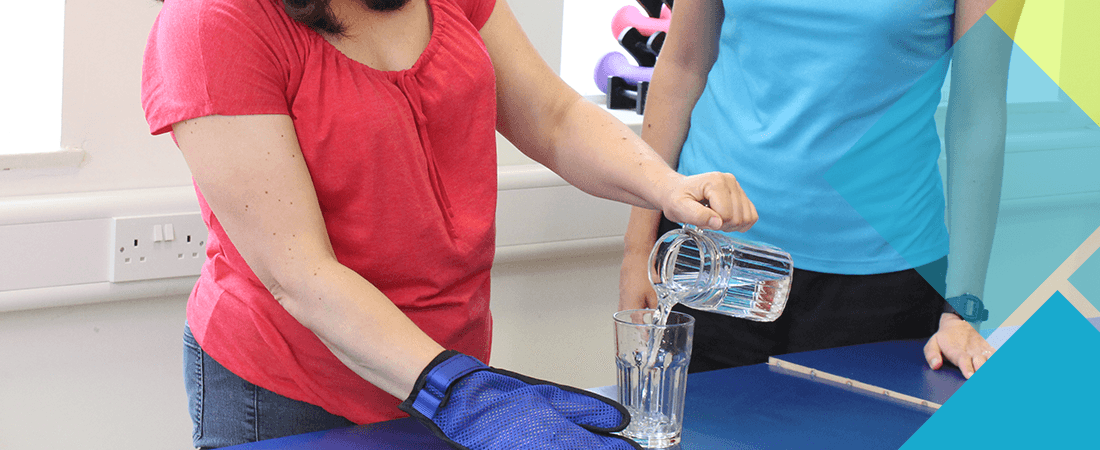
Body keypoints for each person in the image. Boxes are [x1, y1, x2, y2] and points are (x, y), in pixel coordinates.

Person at [141, 0, 758, 448]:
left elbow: (553, 117)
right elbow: (299, 273)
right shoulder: (211, 23)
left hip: (445, 368)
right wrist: (460, 391)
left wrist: (668, 188)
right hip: (292, 386)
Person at [620, 0, 1022, 378]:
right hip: (711, 257)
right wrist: (638, 249)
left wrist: (963, 309)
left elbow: (978, 110)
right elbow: (683, 65)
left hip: (881, 281)